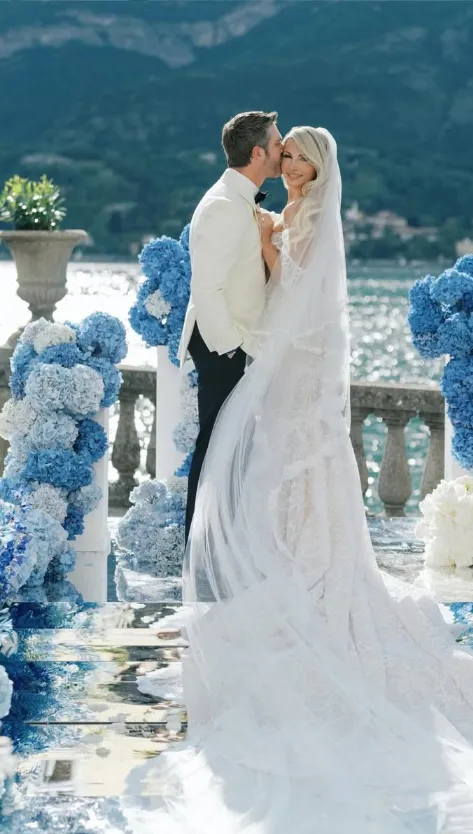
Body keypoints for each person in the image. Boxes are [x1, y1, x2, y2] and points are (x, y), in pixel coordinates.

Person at [125, 127, 473, 834]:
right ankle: (289, 578)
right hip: (286, 382)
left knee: (295, 502)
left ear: (320, 168)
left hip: (292, 383)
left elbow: (291, 310)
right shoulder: (286, 214)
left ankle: (304, 585)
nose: (292, 164)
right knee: (283, 499)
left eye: (303, 157)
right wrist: (272, 245)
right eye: (287, 153)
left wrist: (274, 252)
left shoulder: (304, 221)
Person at [178, 110, 284, 543]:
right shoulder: (223, 205)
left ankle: (221, 546)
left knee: (232, 453)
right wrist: (233, 350)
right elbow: (207, 288)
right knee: (214, 451)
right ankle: (199, 550)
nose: (283, 151)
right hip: (223, 348)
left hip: (239, 345)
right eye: (277, 145)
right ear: (258, 153)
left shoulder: (242, 201)